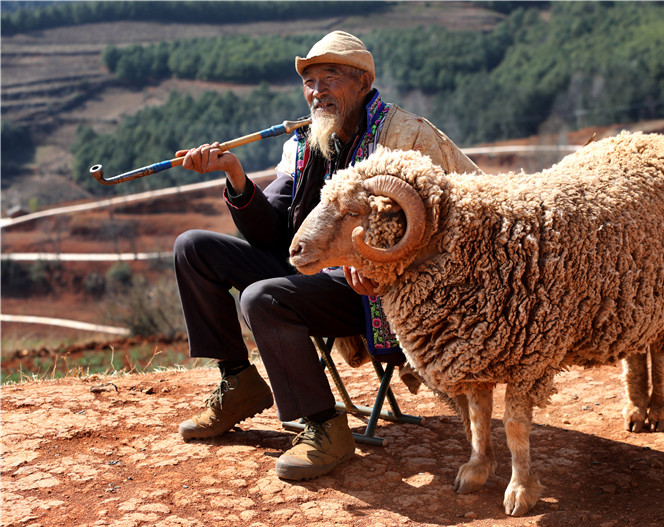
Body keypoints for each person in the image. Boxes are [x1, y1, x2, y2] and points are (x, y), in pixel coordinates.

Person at [173, 30, 479, 481]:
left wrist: (381, 267)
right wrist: (236, 176)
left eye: (329, 78)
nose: (316, 92)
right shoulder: (303, 143)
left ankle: (325, 428)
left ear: (361, 81)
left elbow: (454, 222)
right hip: (318, 273)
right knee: (193, 247)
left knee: (261, 298)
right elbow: (276, 233)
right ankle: (238, 381)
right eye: (309, 82)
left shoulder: (403, 136)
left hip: (378, 288)